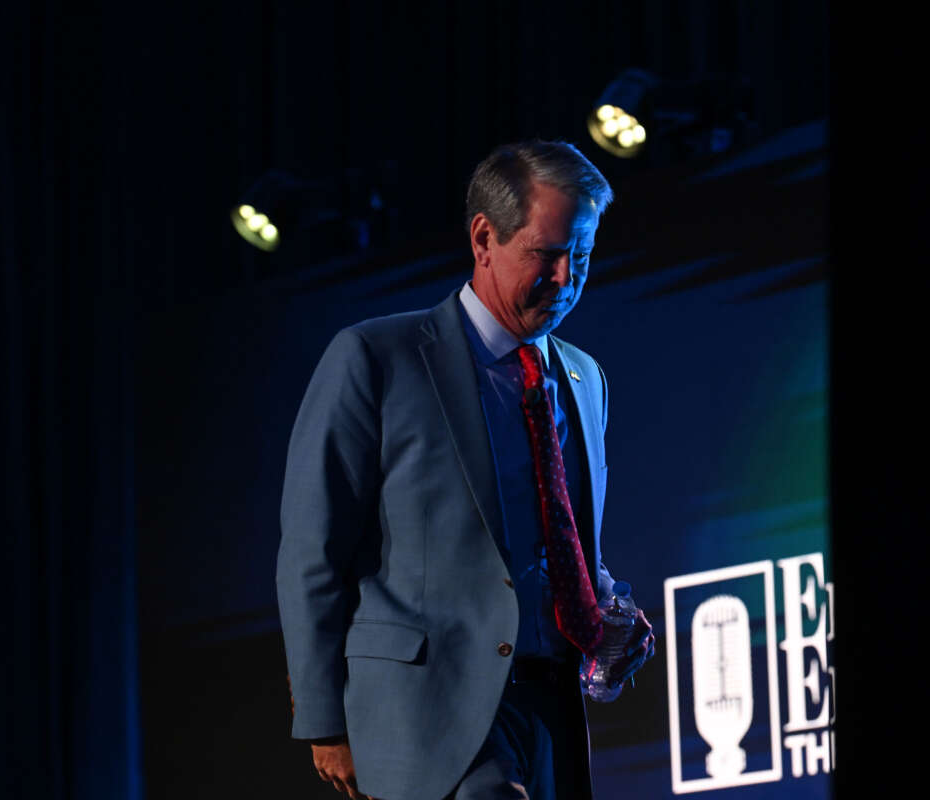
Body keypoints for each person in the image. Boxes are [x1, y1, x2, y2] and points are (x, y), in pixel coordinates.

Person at [276, 140, 655, 800]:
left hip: (551, 708)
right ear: (484, 238)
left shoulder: (584, 378)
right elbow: (313, 549)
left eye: (584, 255)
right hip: (428, 710)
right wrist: (323, 720)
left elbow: (551, 538)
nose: (568, 277)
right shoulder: (376, 358)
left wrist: (606, 613)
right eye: (547, 253)